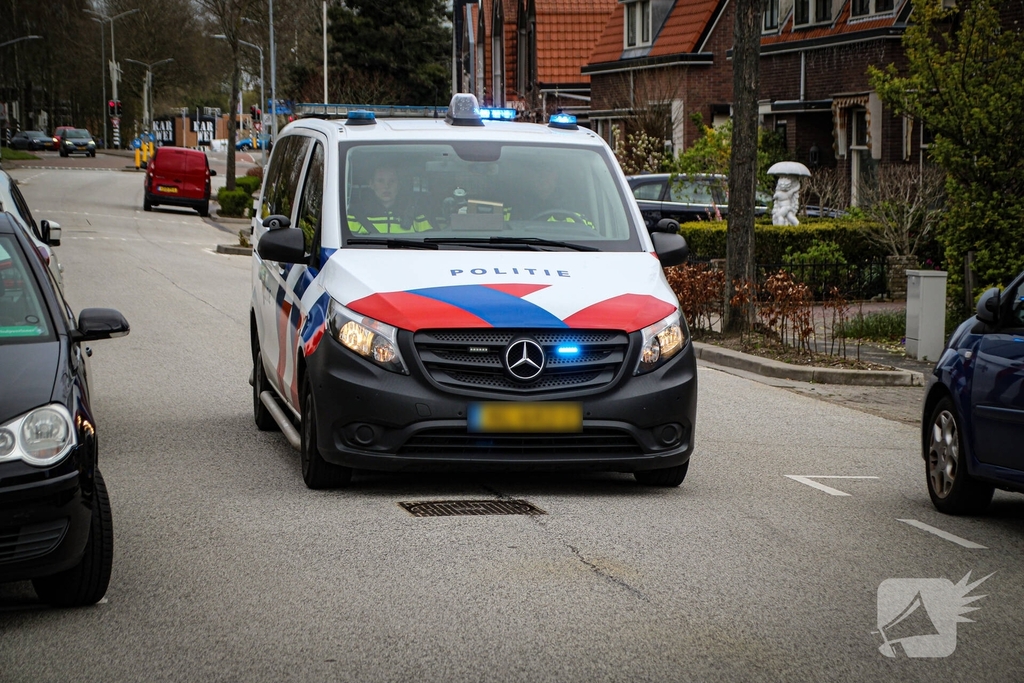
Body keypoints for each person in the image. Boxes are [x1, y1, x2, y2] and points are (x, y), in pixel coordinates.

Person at [347, 164, 432, 234]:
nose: (386, 186)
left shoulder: (416, 215)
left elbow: (429, 249)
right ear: (371, 184)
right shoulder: (354, 216)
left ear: (399, 185)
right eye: (380, 181)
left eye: (392, 181)